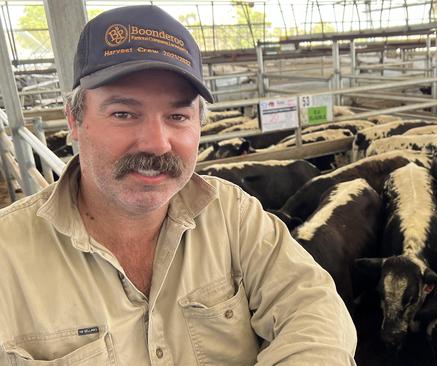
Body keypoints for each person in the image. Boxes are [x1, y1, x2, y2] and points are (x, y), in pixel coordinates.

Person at [0, 5, 356, 365]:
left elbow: (314, 306)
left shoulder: (233, 215)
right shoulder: (8, 259)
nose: (157, 143)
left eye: (177, 116)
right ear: (74, 120)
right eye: (124, 113)